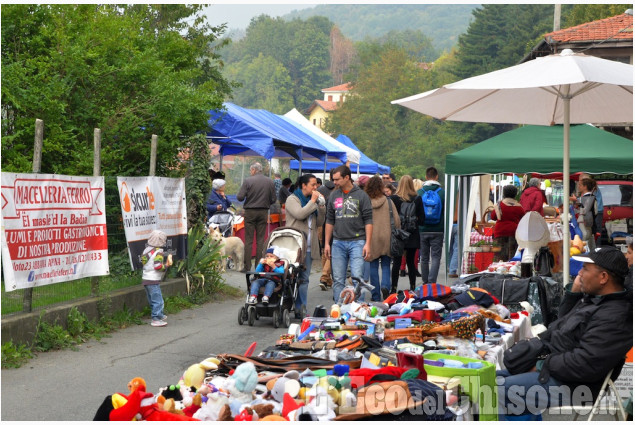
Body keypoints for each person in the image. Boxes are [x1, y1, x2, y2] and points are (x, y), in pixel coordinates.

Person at [497, 246, 632, 419]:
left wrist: (542, 365)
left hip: (575, 386)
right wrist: (573, 294)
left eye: (585, 269)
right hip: (557, 371)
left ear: (603, 277)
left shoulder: (615, 316)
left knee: (494, 392)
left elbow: (585, 364)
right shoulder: (596, 300)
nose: (580, 274)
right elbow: (559, 326)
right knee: (484, 380)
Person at [324, 165, 373, 303]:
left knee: (357, 278)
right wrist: (327, 243)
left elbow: (369, 220)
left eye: (337, 179)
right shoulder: (334, 195)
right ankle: (339, 309)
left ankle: (357, 309)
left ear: (347, 178)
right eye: (333, 179)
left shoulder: (362, 195)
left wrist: (368, 244)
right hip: (338, 242)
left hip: (357, 241)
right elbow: (329, 220)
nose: (334, 182)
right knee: (338, 279)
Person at [285, 174, 326, 317]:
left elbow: (320, 222)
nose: (316, 187)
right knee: (289, 277)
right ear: (303, 185)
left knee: (304, 279)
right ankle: (286, 304)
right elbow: (300, 214)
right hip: (294, 246)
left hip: (308, 246)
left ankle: (301, 309)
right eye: (313, 185)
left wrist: (321, 206)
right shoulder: (292, 199)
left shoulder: (311, 202)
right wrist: (313, 201)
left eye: (316, 185)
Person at [237, 162, 277, 271]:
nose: (250, 172)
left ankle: (247, 267)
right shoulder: (269, 181)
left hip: (250, 212)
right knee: (260, 240)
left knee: (249, 240)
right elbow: (273, 199)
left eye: (251, 171)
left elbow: (240, 197)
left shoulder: (248, 181)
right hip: (263, 212)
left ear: (254, 170)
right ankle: (259, 267)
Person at [364, 176, 399, 300]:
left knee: (372, 265)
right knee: (385, 263)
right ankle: (385, 285)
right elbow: (396, 220)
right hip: (386, 236)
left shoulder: (365, 201)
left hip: (370, 237)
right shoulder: (388, 201)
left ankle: (375, 294)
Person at [390, 175, 424, 292]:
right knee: (411, 262)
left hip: (398, 234)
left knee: (396, 262)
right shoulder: (417, 199)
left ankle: (393, 288)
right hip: (412, 234)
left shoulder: (393, 199)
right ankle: (413, 287)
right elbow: (422, 219)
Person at [417, 167, 445, 284]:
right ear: (436, 176)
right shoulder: (442, 192)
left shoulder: (420, 192)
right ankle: (432, 282)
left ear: (426, 177)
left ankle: (425, 282)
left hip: (422, 229)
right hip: (438, 229)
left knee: (424, 258)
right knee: (436, 257)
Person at [141, 230, 173, 327]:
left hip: (145, 278)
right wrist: (166, 265)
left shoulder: (146, 250)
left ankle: (160, 315)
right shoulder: (159, 253)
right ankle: (156, 318)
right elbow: (158, 266)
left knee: (152, 299)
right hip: (153, 279)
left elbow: (143, 262)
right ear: (162, 241)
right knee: (158, 300)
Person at [491, 185, 525, 262]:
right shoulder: (519, 207)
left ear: (504, 193)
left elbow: (493, 217)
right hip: (514, 233)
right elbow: (523, 219)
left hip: (500, 233)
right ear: (515, 194)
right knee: (512, 257)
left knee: (499, 257)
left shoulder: (499, 205)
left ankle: (499, 271)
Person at [317, 172, 336, 291]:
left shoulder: (320, 189)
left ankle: (327, 278)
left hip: (322, 223)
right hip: (333, 224)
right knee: (331, 251)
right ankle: (324, 276)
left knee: (325, 249)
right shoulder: (337, 192)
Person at [576, 178, 598, 252]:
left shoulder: (585, 198)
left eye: (580, 185)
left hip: (585, 225)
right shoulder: (592, 198)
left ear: (585, 187)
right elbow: (596, 212)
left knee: (586, 244)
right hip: (590, 226)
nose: (579, 186)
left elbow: (584, 211)